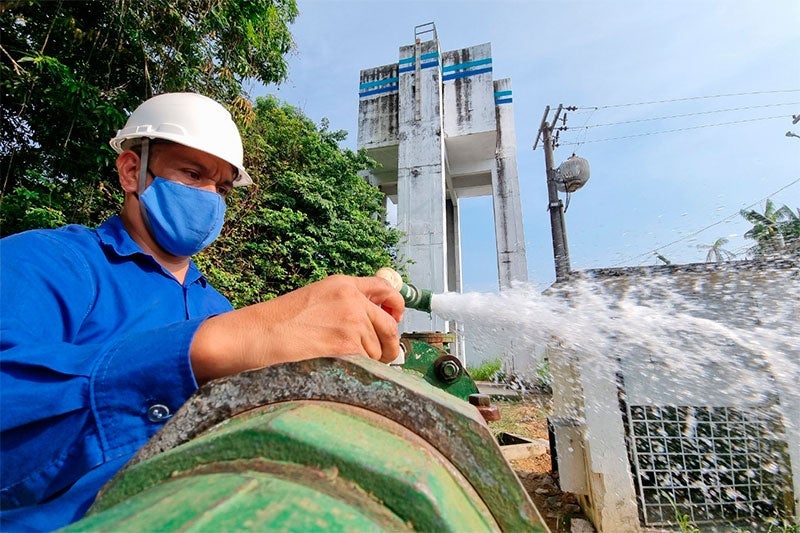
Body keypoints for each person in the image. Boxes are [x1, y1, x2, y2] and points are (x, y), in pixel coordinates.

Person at [0, 92, 405, 531]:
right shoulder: (47, 262)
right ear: (132, 170)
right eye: (193, 175)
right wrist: (203, 350)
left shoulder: (218, 308)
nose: (210, 197)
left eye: (223, 187)